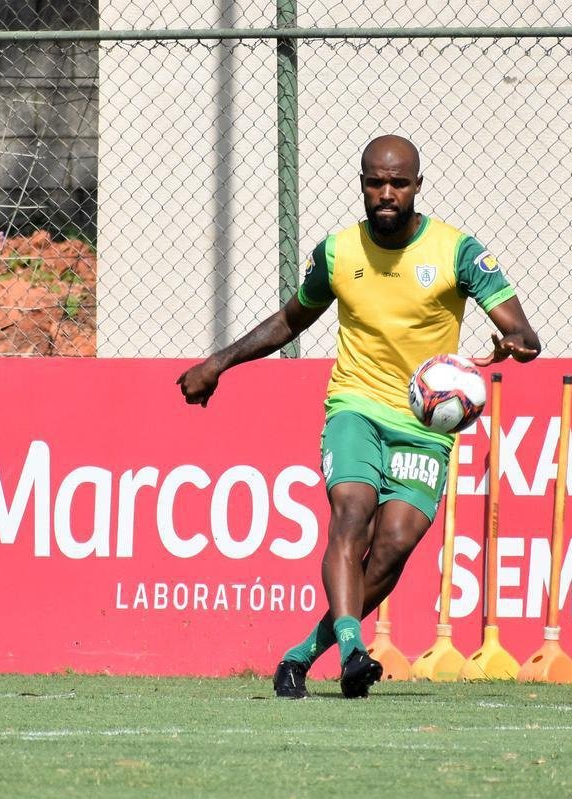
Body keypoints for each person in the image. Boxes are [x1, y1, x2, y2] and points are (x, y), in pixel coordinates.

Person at [176, 134, 540, 698]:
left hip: (427, 424)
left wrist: (514, 342)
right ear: (363, 185)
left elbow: (522, 331)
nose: (387, 193)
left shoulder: (458, 252)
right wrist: (218, 363)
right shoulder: (339, 253)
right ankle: (353, 649)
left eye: (398, 183)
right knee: (352, 515)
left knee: (393, 546)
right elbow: (289, 320)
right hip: (356, 406)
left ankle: (302, 655)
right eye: (376, 182)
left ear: (418, 185)